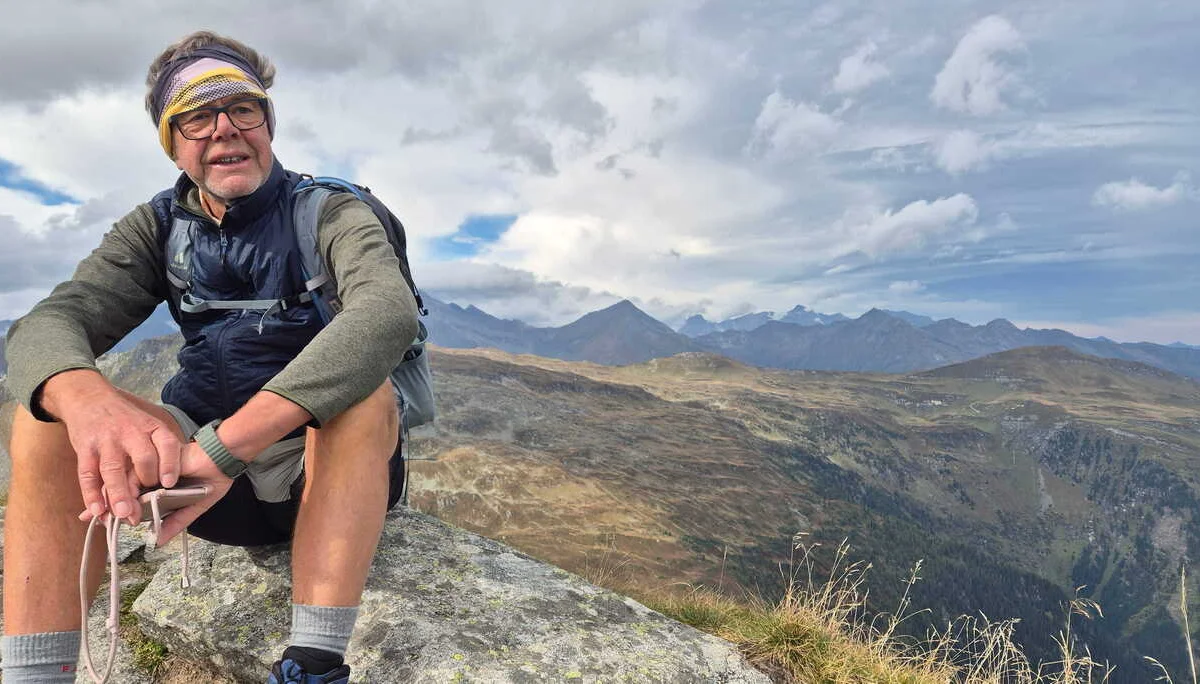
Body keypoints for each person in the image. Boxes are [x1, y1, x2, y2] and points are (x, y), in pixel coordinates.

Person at [1, 30, 418, 683]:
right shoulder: (158, 227)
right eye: (196, 117)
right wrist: (86, 400)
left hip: (312, 473)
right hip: (195, 484)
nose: (224, 128)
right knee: (44, 413)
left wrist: (226, 449)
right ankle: (35, 675)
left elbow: (385, 312)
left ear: (267, 125)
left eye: (242, 109)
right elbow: (47, 324)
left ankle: (312, 666)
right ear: (172, 144)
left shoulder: (330, 212)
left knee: (366, 394)